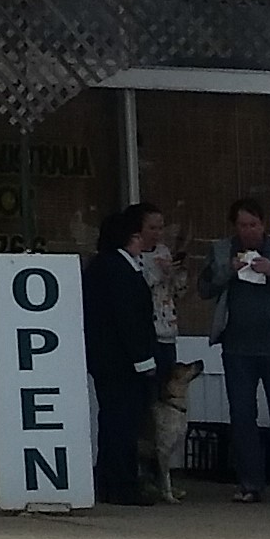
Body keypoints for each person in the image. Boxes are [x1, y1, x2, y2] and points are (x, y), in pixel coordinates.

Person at [81, 198, 179, 511]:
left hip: (107, 360)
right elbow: (128, 320)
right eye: (136, 237)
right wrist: (144, 361)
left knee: (111, 420)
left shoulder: (104, 265)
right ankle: (122, 484)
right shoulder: (119, 268)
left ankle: (109, 481)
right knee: (123, 423)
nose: (142, 242)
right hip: (121, 362)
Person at [208, 196, 270, 508]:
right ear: (235, 226)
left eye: (254, 225)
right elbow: (205, 289)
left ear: (264, 224)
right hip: (236, 348)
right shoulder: (221, 250)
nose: (248, 231)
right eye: (242, 225)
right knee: (242, 417)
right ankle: (249, 484)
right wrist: (228, 271)